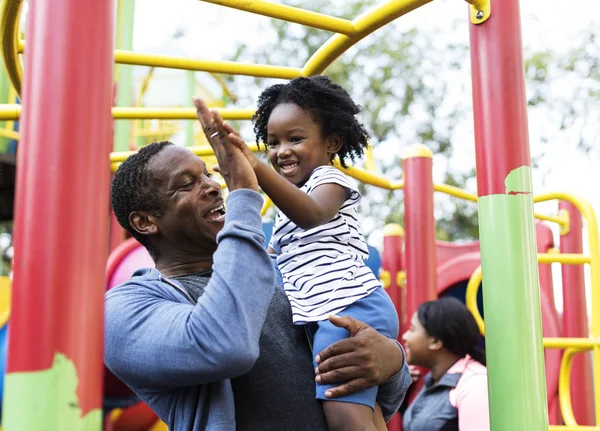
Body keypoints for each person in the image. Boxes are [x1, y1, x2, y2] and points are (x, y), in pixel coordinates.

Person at [104, 98, 411, 431]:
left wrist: (391, 362)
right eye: (187, 185)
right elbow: (226, 345)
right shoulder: (125, 309)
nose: (211, 186)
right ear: (146, 221)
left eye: (208, 174)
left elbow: (371, 396)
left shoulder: (281, 271)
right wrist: (245, 195)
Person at [221, 75, 400, 430]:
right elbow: (269, 259)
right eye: (272, 143)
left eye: (295, 138)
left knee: (342, 413)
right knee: (363, 410)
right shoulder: (285, 211)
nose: (281, 150)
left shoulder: (329, 182)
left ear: (331, 143)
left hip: (348, 306)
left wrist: (256, 169)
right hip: (325, 311)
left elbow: (311, 215)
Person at [401, 297, 490, 431]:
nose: (405, 336)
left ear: (436, 342)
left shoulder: (475, 383)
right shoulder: (434, 379)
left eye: (412, 329)